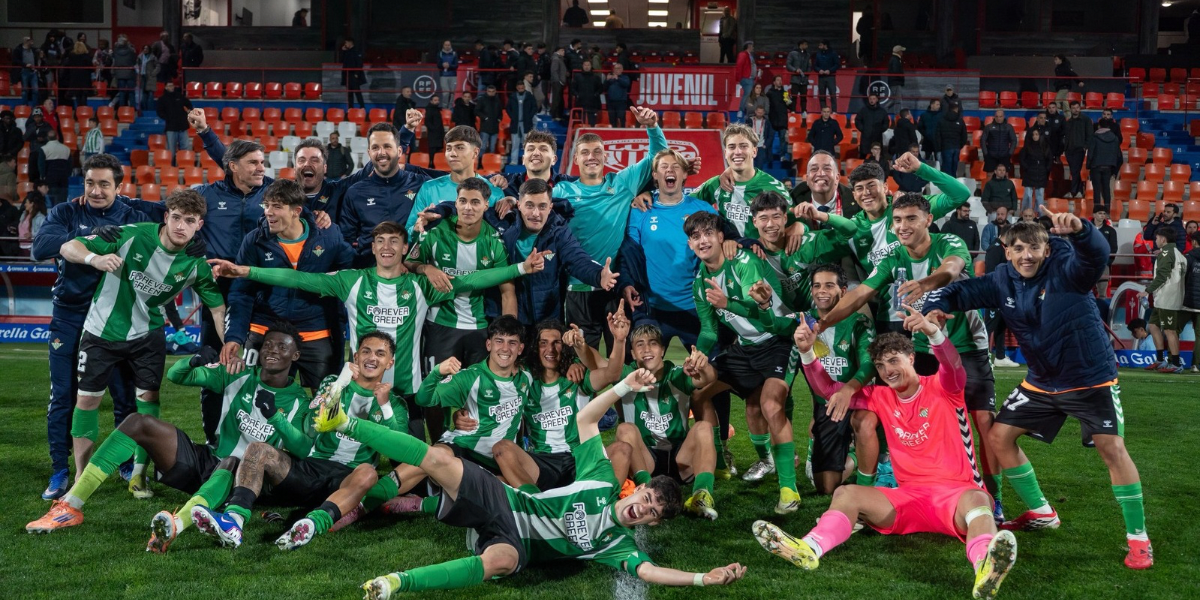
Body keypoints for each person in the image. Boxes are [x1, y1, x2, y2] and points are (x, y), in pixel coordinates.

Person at [308, 362, 745, 597]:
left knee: (499, 564)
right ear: (640, 488)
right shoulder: (599, 481)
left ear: (649, 522)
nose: (642, 508)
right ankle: (342, 421)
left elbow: (651, 573)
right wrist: (623, 386)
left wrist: (703, 578)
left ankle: (396, 582)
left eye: (650, 513)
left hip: (515, 545)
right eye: (647, 498)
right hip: (507, 501)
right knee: (437, 457)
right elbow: (587, 419)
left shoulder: (618, 545)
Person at [924, 209, 1154, 570]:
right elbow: (961, 292)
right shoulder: (1002, 279)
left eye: (1033, 247)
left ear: (1047, 249)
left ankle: (1139, 539)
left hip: (1090, 378)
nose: (1026, 255)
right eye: (1018, 248)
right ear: (1006, 250)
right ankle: (1042, 512)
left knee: (1112, 450)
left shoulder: (1068, 271)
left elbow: (1093, 257)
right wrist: (935, 304)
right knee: (999, 438)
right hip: (1043, 381)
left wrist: (1081, 231)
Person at [756, 309, 1018, 599]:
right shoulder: (880, 396)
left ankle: (985, 565)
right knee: (846, 494)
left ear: (912, 358)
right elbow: (829, 390)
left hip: (955, 497)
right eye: (881, 366)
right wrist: (807, 353)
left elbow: (954, 367)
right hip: (907, 499)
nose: (888, 370)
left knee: (980, 500)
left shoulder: (945, 388)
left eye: (894, 361)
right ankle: (808, 548)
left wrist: (934, 333)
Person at [207, 221, 545, 418]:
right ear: (373, 248)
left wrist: (521, 268)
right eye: (380, 241)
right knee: (349, 455)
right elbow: (296, 279)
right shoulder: (352, 280)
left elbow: (472, 281)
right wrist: (244, 270)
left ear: (404, 249)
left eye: (393, 242)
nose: (386, 247)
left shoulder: (420, 285)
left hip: (407, 389)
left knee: (413, 454)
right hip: (360, 389)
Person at [26, 323, 310, 536]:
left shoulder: (299, 400)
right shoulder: (236, 375)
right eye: (268, 345)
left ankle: (180, 522)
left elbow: (300, 449)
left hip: (246, 483)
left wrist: (275, 417)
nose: (272, 350)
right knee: (138, 422)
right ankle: (70, 506)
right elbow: (177, 376)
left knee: (233, 461)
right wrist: (194, 359)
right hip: (207, 461)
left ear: (294, 355)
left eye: (281, 347)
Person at [823, 190, 999, 507]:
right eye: (898, 220)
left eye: (911, 219)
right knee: (912, 417)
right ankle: (911, 479)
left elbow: (952, 268)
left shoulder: (948, 242)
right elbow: (861, 292)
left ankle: (994, 496)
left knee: (983, 420)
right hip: (920, 350)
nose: (903, 226)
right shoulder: (894, 255)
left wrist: (926, 284)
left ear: (928, 220)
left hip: (965, 346)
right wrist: (824, 322)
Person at [57, 189, 226, 497]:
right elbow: (69, 246)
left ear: (199, 225)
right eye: (176, 217)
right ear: (166, 217)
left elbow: (217, 307)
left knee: (147, 405)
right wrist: (93, 258)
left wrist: (229, 344)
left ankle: (139, 476)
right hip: (101, 332)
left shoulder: (195, 263)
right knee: (87, 401)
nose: (180, 226)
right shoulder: (132, 235)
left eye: (189, 221)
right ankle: (82, 477)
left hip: (148, 336)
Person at [29, 155, 155, 499]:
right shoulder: (67, 213)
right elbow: (39, 248)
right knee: (64, 397)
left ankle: (126, 462)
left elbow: (173, 227)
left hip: (116, 319)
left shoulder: (134, 215)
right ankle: (59, 470)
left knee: (123, 396)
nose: (95, 191)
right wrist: (89, 235)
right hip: (70, 316)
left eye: (103, 184)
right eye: (89, 183)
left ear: (119, 186)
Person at [684, 211, 801, 513]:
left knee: (770, 405)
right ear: (690, 244)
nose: (702, 240)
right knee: (699, 393)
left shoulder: (743, 262)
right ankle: (719, 467)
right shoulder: (700, 283)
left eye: (708, 232)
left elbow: (765, 316)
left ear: (722, 237)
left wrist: (728, 304)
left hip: (779, 340)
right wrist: (700, 352)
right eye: (695, 236)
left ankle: (789, 490)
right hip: (745, 348)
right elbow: (710, 330)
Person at [221, 178, 354, 393]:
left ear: (296, 211)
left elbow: (349, 272)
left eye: (277, 206)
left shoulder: (329, 236)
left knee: (327, 403)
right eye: (267, 205)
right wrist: (234, 336)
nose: (268, 212)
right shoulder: (254, 241)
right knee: (256, 399)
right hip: (265, 330)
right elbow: (241, 294)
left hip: (316, 332)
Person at [552, 107, 665, 351]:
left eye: (597, 152)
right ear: (576, 159)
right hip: (578, 286)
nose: (591, 157)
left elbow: (658, 157)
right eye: (585, 152)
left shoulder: (621, 183)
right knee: (580, 360)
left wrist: (652, 127)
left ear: (605, 157)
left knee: (621, 358)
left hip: (615, 287)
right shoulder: (562, 192)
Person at [609, 325, 722, 519]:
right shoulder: (626, 375)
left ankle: (701, 495)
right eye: (640, 345)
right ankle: (644, 485)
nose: (646, 349)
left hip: (680, 459)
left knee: (703, 427)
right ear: (633, 353)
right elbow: (598, 365)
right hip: (644, 461)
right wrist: (581, 347)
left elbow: (708, 378)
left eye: (653, 344)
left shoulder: (677, 374)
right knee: (625, 429)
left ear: (662, 350)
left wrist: (704, 366)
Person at [339, 123, 438, 266]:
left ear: (399, 151)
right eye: (375, 148)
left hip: (413, 271)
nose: (381, 152)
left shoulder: (422, 185)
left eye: (387, 146)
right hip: (370, 272)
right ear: (369, 153)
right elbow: (345, 240)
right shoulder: (355, 192)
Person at [695, 123, 790, 241]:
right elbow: (684, 205)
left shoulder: (773, 187)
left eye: (743, 146)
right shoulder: (716, 184)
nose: (738, 152)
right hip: (727, 257)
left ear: (754, 151)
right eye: (731, 147)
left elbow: (796, 221)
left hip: (762, 257)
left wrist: (799, 226)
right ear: (725, 153)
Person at [1139, 228, 1188, 373]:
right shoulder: (1178, 254)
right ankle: (1160, 360)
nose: (1156, 241)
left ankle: (1176, 364)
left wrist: (1146, 291)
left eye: (1157, 238)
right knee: (1153, 326)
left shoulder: (1166, 254)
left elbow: (1162, 276)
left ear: (1163, 239)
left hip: (1168, 299)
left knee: (1170, 331)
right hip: (1164, 298)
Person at [1088, 123, 1123, 212]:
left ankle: (1097, 210)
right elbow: (1119, 156)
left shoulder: (1095, 137)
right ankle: (1107, 211)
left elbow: (1090, 154)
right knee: (1106, 188)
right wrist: (1114, 170)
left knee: (1096, 189)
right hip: (1108, 167)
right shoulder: (1115, 138)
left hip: (1096, 166)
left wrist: (1089, 166)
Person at [1063, 101, 1093, 199]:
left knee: (1075, 171)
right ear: (1070, 109)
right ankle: (1079, 190)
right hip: (1069, 150)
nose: (1075, 110)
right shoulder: (1069, 121)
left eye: (1077, 107)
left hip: (1079, 150)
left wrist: (1085, 146)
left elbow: (1090, 134)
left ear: (1080, 108)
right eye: (1073, 108)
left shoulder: (1086, 120)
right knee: (1074, 171)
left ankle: (1073, 192)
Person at [156, 81, 193, 158]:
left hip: (183, 126)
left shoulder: (180, 96)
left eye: (172, 85)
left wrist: (188, 112)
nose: (171, 87)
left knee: (185, 148)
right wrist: (167, 118)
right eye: (169, 86)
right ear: (166, 87)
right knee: (171, 150)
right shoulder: (162, 99)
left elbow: (189, 104)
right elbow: (159, 111)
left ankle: (184, 164)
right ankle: (171, 167)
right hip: (171, 127)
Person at [507, 79, 537, 166]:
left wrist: (529, 116)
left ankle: (527, 162)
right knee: (515, 144)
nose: (521, 89)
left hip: (526, 124)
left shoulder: (529, 96)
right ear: (517, 88)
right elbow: (508, 108)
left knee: (527, 145)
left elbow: (534, 107)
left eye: (522, 87)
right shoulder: (512, 97)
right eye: (519, 88)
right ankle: (514, 161)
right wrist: (512, 116)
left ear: (524, 87)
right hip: (515, 124)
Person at [37, 130, 71, 207]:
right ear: (57, 137)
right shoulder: (66, 148)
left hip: (50, 177)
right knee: (62, 202)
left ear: (47, 138)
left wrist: (42, 176)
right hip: (63, 178)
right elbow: (70, 165)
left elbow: (41, 165)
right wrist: (67, 175)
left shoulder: (44, 149)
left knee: (52, 202)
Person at [1020, 130, 1050, 212]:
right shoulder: (1027, 147)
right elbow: (1022, 159)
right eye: (1033, 134)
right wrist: (1027, 168)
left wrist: (1046, 169)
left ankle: (1039, 215)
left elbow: (1049, 160)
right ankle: (1026, 213)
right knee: (1028, 195)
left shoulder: (1045, 147)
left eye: (1036, 134)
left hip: (1041, 174)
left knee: (1040, 196)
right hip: (1029, 173)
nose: (1034, 136)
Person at [854, 94, 890, 158]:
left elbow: (886, 122)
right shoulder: (863, 110)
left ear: (877, 100)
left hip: (877, 137)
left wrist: (880, 130)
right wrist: (863, 129)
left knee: (878, 156)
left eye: (873, 99)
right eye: (870, 99)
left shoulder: (882, 111)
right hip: (866, 137)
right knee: (863, 155)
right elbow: (857, 121)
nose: (872, 100)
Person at [936, 103, 967, 177]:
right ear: (956, 109)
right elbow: (964, 136)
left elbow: (937, 135)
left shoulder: (941, 120)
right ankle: (953, 183)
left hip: (945, 147)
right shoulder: (960, 120)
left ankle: (947, 185)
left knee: (946, 168)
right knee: (954, 167)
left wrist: (939, 148)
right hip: (956, 147)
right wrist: (960, 145)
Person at [571, 61, 603, 126]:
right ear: (582, 66)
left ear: (591, 66)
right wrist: (577, 95)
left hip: (593, 104)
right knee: (581, 124)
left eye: (588, 65)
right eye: (585, 65)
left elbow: (601, 88)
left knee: (592, 124)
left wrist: (595, 94)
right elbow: (572, 88)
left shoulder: (596, 77)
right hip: (580, 103)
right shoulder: (577, 76)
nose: (587, 67)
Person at [110, 35, 137, 108]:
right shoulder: (131, 51)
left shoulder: (115, 51)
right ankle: (133, 108)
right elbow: (134, 61)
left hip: (119, 73)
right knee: (131, 92)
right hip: (129, 73)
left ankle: (121, 108)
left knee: (121, 92)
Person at [786, 40, 811, 115]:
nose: (807, 46)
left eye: (807, 44)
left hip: (804, 79)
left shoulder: (808, 55)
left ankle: (804, 111)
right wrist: (795, 70)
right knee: (794, 96)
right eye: (805, 44)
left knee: (804, 97)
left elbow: (809, 66)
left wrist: (807, 74)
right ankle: (793, 111)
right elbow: (788, 65)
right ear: (801, 45)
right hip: (795, 79)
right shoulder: (792, 53)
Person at [476, 85, 502, 156]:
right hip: (485, 127)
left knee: (492, 148)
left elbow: (500, 112)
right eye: (489, 91)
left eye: (493, 91)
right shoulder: (482, 99)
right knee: (483, 147)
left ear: (495, 92)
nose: (491, 93)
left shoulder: (497, 100)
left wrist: (499, 119)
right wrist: (484, 118)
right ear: (486, 91)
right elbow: (477, 111)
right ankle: (480, 162)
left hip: (495, 127)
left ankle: (490, 163)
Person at [605, 63, 632, 131]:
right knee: (612, 119)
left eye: (619, 68)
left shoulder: (625, 77)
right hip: (611, 102)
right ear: (613, 69)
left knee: (621, 118)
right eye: (616, 68)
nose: (617, 70)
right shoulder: (610, 78)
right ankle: (613, 133)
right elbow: (604, 88)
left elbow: (626, 84)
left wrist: (617, 79)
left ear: (622, 70)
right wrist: (606, 80)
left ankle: (622, 132)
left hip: (621, 102)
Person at [813, 41, 839, 110]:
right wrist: (819, 70)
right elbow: (815, 65)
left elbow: (837, 64)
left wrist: (830, 70)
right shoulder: (818, 54)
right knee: (822, 95)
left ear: (825, 45)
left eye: (820, 45)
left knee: (832, 94)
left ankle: (834, 111)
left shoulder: (833, 53)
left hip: (831, 77)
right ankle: (823, 110)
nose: (819, 47)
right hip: (821, 77)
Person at [341, 38, 365, 109]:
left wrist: (356, 73)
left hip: (354, 74)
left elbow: (359, 63)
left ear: (350, 43)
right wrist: (343, 51)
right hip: (347, 74)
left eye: (346, 43)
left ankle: (362, 107)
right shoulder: (347, 52)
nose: (345, 45)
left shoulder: (356, 51)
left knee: (357, 92)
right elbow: (341, 60)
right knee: (349, 93)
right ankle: (350, 108)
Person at [14, 37, 39, 106]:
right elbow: (16, 60)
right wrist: (25, 65)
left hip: (33, 72)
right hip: (24, 71)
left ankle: (34, 106)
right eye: (30, 41)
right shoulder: (19, 50)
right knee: (25, 91)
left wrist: (36, 67)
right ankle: (25, 106)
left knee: (35, 90)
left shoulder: (33, 50)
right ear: (26, 42)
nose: (32, 42)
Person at [735, 42, 757, 116]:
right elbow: (739, 66)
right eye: (752, 46)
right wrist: (739, 78)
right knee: (747, 94)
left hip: (751, 78)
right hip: (746, 78)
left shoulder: (749, 55)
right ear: (749, 46)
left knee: (749, 94)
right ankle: (741, 110)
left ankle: (747, 110)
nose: (753, 47)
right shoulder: (743, 54)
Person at [435, 40, 458, 106]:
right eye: (446, 45)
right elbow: (438, 65)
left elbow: (456, 65)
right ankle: (444, 106)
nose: (447, 46)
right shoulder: (440, 54)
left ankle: (450, 106)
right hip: (443, 75)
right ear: (443, 45)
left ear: (450, 45)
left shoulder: (454, 53)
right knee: (446, 93)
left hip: (453, 75)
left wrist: (449, 66)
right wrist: (442, 65)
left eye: (449, 45)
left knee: (452, 92)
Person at [549, 47, 568, 122]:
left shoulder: (559, 59)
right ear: (558, 51)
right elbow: (554, 71)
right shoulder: (556, 59)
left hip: (559, 82)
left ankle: (558, 114)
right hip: (557, 82)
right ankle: (555, 115)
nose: (564, 52)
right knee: (556, 99)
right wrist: (558, 81)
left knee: (559, 98)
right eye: (562, 50)